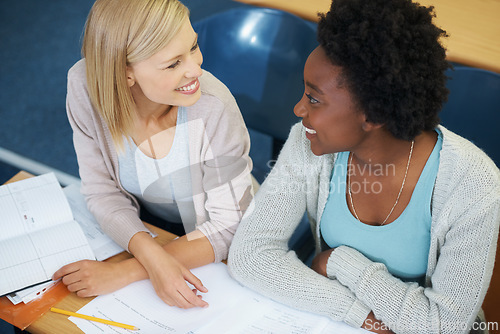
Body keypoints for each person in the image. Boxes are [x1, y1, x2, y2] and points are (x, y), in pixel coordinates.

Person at [228, 0, 500, 332]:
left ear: (374, 115)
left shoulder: (474, 184)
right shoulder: (309, 141)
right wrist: (356, 312)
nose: (299, 109)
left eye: (314, 99)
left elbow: (443, 325)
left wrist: (343, 263)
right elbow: (251, 255)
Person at [53, 0, 254, 309]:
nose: (196, 69)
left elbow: (229, 225)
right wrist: (149, 253)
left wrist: (127, 271)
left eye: (194, 46)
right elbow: (101, 189)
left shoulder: (214, 107)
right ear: (126, 72)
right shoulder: (85, 86)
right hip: (153, 226)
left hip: (228, 228)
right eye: (173, 64)